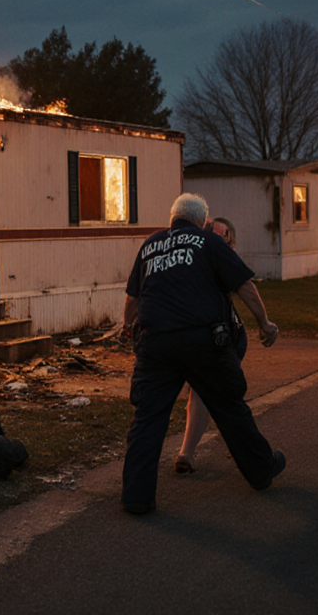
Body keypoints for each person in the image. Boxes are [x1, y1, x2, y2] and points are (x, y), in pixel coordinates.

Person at [120, 194, 285, 515]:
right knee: (229, 408)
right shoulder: (208, 242)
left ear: (172, 218)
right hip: (203, 341)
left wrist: (127, 328)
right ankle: (262, 469)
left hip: (155, 345)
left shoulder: (150, 245)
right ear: (201, 221)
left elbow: (133, 298)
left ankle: (136, 496)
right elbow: (245, 285)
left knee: (148, 417)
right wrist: (264, 324)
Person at [173, 217, 248, 474]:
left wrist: (266, 322)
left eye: (223, 235)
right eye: (212, 234)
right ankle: (188, 454)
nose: (217, 238)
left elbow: (242, 286)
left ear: (230, 240)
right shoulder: (195, 256)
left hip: (228, 337)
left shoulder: (224, 259)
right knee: (201, 392)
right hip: (203, 336)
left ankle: (242, 448)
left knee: (219, 393)